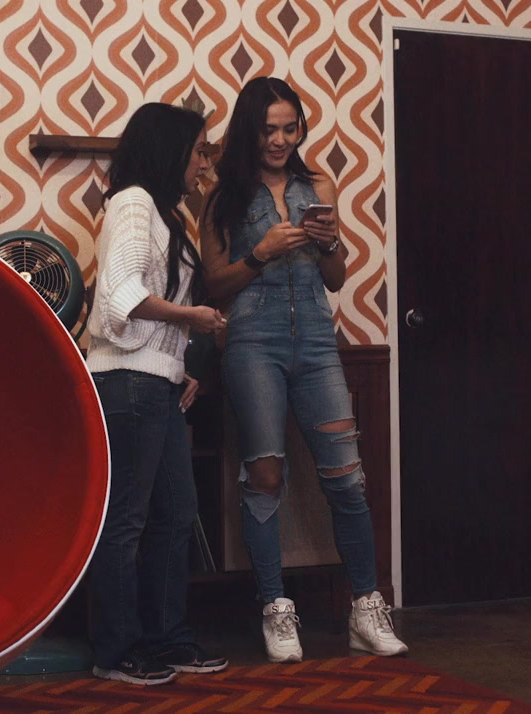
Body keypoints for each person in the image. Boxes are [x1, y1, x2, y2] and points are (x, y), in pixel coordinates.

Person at [201, 77, 408, 663]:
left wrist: (329, 243)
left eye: (290, 128)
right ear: (250, 130)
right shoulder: (221, 198)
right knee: (265, 476)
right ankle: (276, 608)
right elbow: (215, 285)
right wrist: (260, 252)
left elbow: (335, 278)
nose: (280, 140)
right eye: (269, 129)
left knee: (347, 478)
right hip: (252, 343)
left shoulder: (317, 185)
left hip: (317, 341)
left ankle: (366, 608)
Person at [86, 102, 229, 686]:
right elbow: (120, 296)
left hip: (155, 382)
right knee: (128, 520)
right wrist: (191, 318)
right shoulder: (133, 203)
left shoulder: (164, 212)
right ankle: (116, 652)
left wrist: (177, 363)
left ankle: (166, 640)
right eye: (198, 152)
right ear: (170, 151)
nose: (203, 164)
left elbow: (145, 306)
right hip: (128, 383)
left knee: (174, 515)